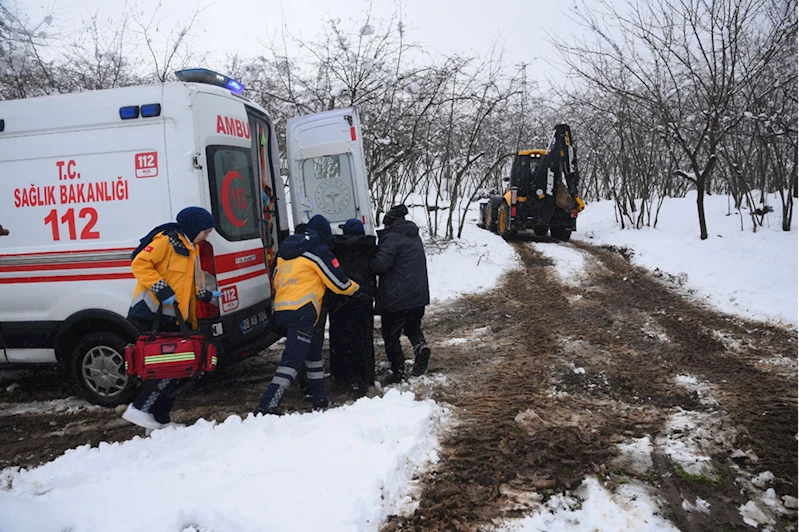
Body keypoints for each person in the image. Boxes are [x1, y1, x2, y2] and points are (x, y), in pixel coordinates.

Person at [122, 206, 220, 430]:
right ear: (194, 227)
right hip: (151, 314)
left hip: (172, 317)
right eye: (205, 232)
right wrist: (161, 289)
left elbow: (181, 286)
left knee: (177, 366)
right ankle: (139, 409)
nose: (205, 238)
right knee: (168, 367)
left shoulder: (188, 247)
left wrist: (202, 294)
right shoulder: (167, 241)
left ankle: (159, 420)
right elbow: (139, 262)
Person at [256, 214, 359, 415]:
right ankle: (267, 404)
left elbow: (275, 278)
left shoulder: (286, 251)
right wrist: (356, 288)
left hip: (282, 309)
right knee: (293, 360)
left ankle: (320, 398)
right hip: (302, 311)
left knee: (312, 354)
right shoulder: (317, 251)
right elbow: (339, 284)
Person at [371, 205, 431, 382]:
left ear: (389, 225)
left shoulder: (391, 239)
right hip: (418, 294)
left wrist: (369, 257)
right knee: (412, 326)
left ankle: (398, 370)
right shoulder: (413, 236)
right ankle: (420, 346)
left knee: (390, 335)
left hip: (396, 297)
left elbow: (380, 265)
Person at [329, 218, 378, 394]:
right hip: (363, 300)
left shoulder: (335, 248)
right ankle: (365, 377)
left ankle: (342, 377)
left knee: (340, 339)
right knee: (364, 340)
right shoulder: (370, 248)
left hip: (339, 300)